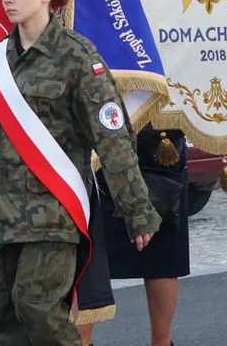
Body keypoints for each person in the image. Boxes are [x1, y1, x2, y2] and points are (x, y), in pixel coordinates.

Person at [0, 0, 161, 345]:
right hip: (3, 214)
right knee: (9, 320)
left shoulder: (78, 56)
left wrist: (136, 210)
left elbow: (113, 139)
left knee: (39, 309)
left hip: (54, 212)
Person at [76, 122, 191, 346]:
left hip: (156, 150)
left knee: (161, 260)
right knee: (86, 259)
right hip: (102, 148)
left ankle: (162, 342)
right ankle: (81, 342)